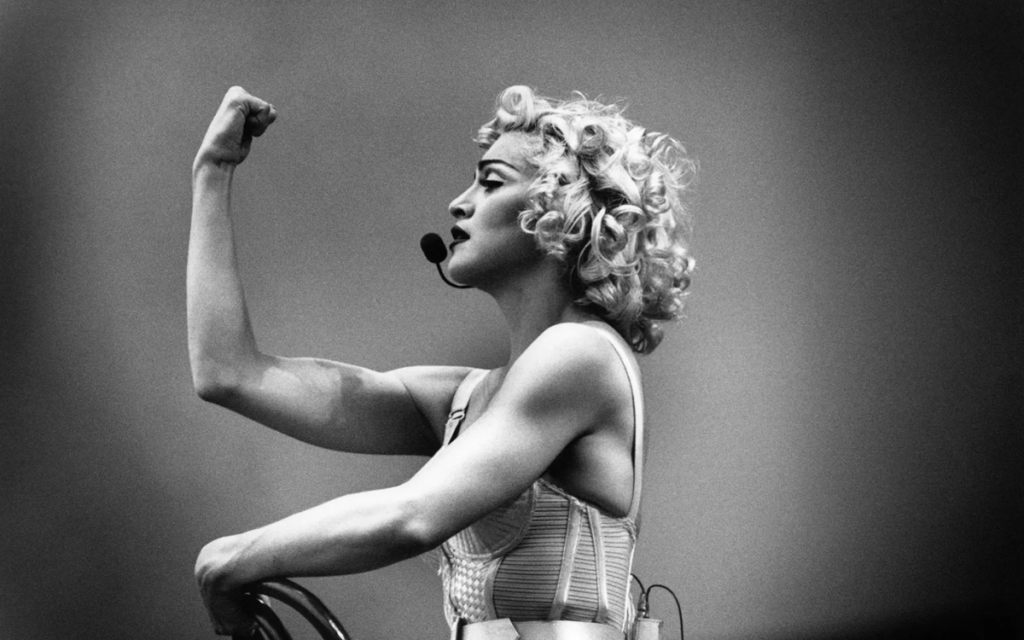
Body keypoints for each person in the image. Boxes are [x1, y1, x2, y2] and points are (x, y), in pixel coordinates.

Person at [188, 85, 695, 639]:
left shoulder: (582, 354)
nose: (459, 202)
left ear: (563, 211)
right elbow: (227, 373)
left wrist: (234, 557)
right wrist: (212, 173)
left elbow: (413, 517)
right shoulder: (460, 401)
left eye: (491, 180)